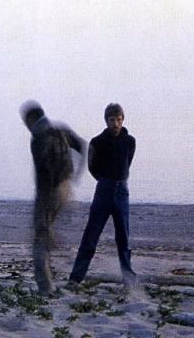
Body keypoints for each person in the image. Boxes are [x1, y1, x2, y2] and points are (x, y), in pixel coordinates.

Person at [20, 100, 87, 296]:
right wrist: (74, 176)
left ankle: (45, 288)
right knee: (46, 232)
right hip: (65, 189)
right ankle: (52, 238)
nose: (26, 126)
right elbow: (82, 145)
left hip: (49, 192)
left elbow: (43, 168)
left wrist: (44, 197)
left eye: (26, 122)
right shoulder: (60, 129)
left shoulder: (38, 136)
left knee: (39, 238)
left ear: (31, 119)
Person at [69, 103, 137, 288]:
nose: (116, 124)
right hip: (103, 191)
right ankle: (75, 278)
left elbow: (127, 163)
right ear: (106, 121)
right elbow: (93, 168)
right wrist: (106, 181)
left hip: (122, 192)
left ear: (123, 120)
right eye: (112, 120)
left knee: (123, 238)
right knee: (91, 236)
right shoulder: (97, 142)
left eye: (119, 120)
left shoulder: (129, 141)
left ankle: (128, 279)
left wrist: (118, 181)